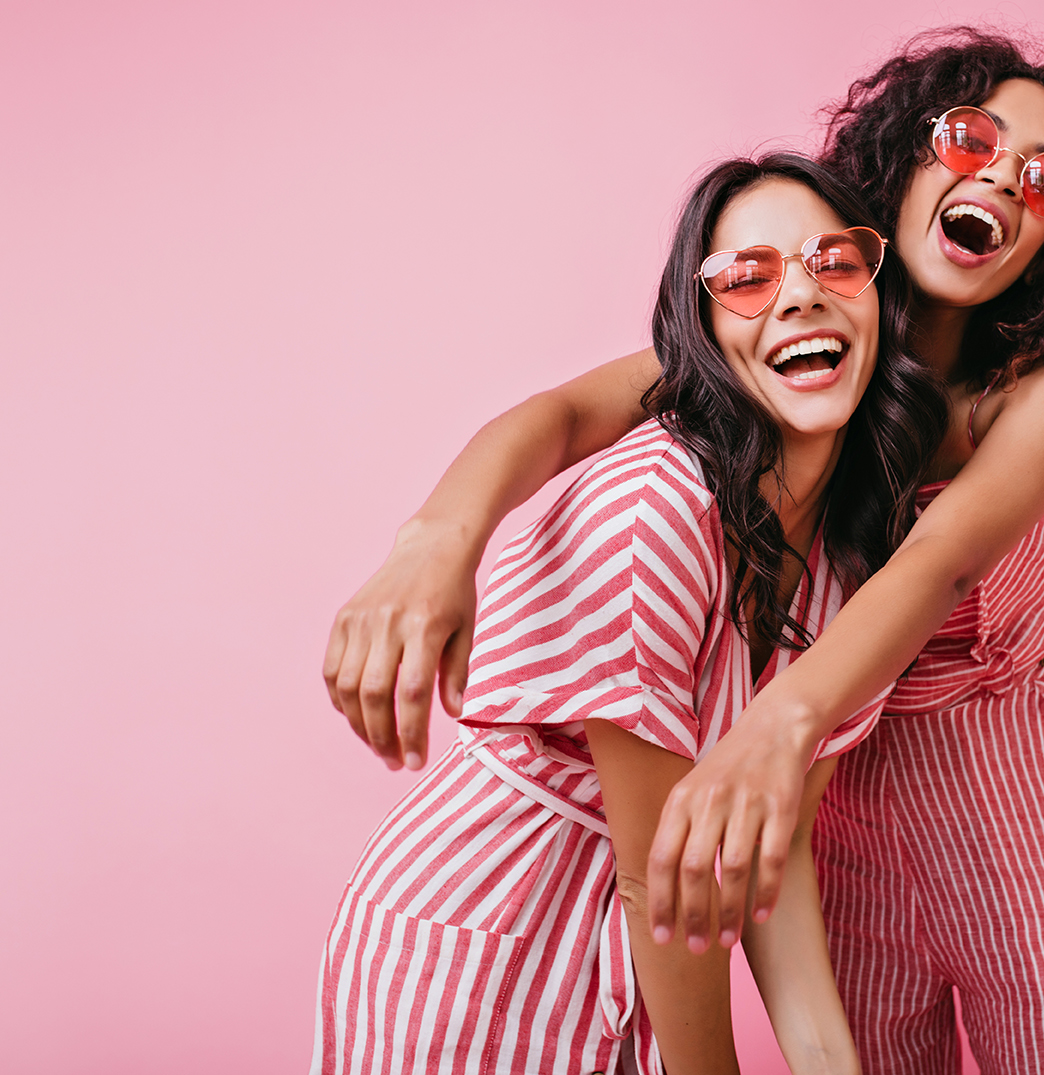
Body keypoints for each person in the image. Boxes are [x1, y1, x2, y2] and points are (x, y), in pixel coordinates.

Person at [323, 27, 1044, 1075]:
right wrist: (434, 542)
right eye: (969, 140)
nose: (1001, 181)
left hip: (987, 800)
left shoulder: (1019, 397)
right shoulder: (783, 346)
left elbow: (940, 565)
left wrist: (776, 727)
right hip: (794, 842)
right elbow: (558, 415)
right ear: (900, 167)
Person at [312, 153, 948, 1075]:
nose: (801, 294)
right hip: (479, 952)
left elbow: (775, 851)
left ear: (878, 299)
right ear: (701, 337)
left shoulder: (860, 558)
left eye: (833, 262)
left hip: (641, 963)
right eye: (748, 276)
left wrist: (828, 1062)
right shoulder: (653, 511)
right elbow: (658, 873)